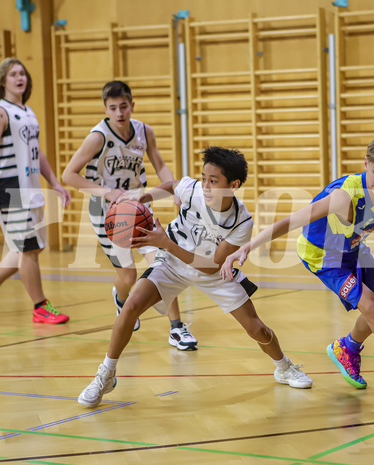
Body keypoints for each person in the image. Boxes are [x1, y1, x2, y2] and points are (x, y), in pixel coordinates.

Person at [221, 135, 374, 409]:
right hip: (324, 255)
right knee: (372, 308)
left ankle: (347, 348)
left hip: (353, 248)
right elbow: (291, 220)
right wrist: (246, 247)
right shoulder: (344, 196)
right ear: (365, 163)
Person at [78, 146, 311, 407]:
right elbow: (172, 185)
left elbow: (211, 265)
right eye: (204, 178)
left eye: (214, 181)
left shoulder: (242, 222)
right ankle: (106, 374)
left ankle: (284, 366)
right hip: (172, 263)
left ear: (233, 185)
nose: (206, 186)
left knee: (256, 327)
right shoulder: (192, 189)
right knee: (130, 307)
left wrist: (165, 243)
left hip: (212, 271)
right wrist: (140, 201)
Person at [62, 81, 196, 348]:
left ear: (132, 105)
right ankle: (122, 299)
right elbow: (69, 175)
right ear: (106, 109)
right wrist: (107, 192)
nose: (120, 112)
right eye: (113, 108)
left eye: (124, 106)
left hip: (137, 204)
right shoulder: (98, 137)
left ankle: (177, 328)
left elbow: (160, 164)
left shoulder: (144, 131)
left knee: (162, 262)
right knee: (129, 276)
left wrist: (175, 190)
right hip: (106, 211)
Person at [0, 58, 71, 324]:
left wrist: (55, 182)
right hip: (8, 185)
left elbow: (37, 154)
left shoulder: (28, 112)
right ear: (3, 80)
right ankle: (40, 307)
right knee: (27, 248)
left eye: (23, 73)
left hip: (30, 185)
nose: (20, 78)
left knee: (30, 248)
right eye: (13, 74)